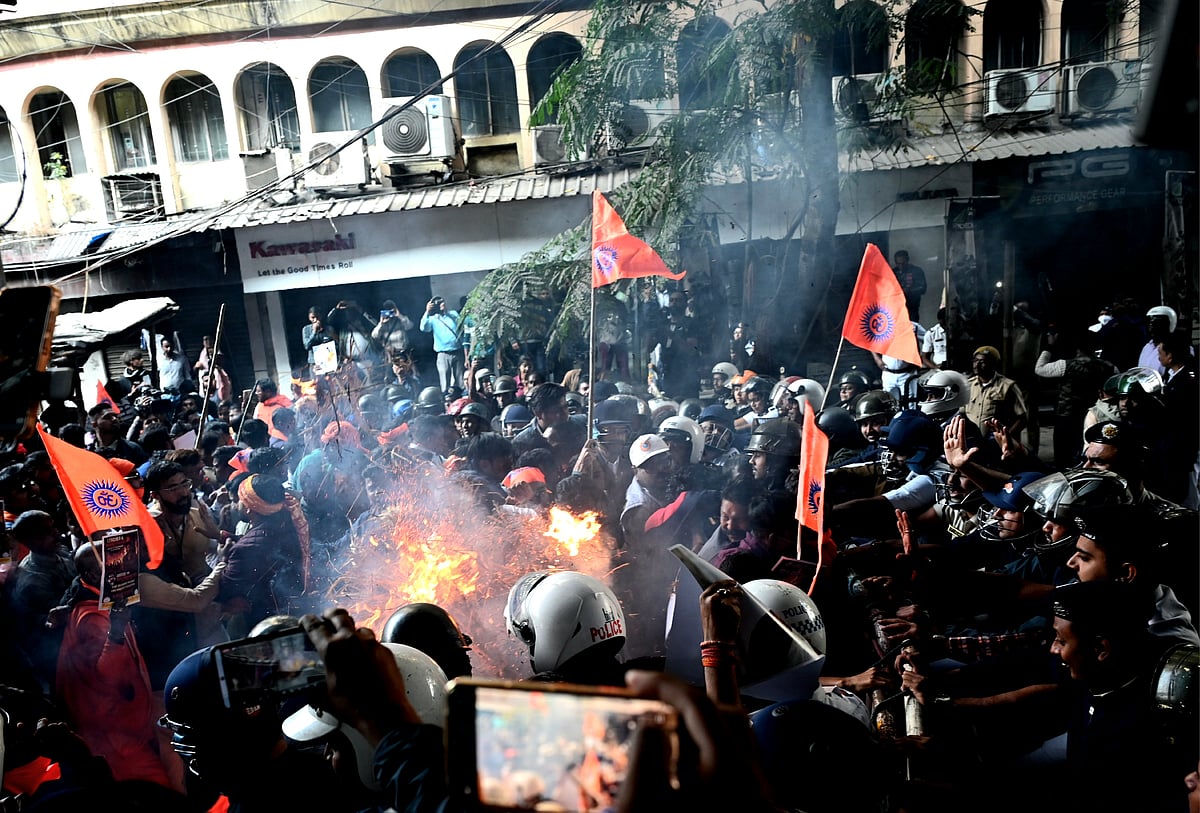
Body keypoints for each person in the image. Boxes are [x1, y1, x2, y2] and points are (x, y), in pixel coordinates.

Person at [57, 541, 172, 787]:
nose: (119, 570)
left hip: (125, 723)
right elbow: (106, 676)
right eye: (110, 566)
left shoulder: (99, 600)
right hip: (116, 736)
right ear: (91, 575)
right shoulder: (94, 617)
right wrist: (117, 631)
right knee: (156, 789)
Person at [965, 345, 1028, 438]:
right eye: (975, 361)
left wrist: (1006, 438)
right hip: (973, 442)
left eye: (982, 362)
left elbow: (1022, 419)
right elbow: (961, 414)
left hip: (996, 444)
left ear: (993, 364)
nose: (976, 365)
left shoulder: (1007, 386)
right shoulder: (968, 385)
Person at [419, 295, 463, 393]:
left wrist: (446, 312)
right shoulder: (433, 318)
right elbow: (423, 328)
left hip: (457, 352)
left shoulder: (453, 314)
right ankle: (447, 400)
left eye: (441, 302)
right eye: (437, 304)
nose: (440, 305)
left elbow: (460, 323)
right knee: (445, 381)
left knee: (460, 380)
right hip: (443, 354)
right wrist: (427, 312)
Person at [892, 249, 926, 322]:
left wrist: (909, 291)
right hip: (896, 308)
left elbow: (922, 288)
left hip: (912, 307)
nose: (901, 266)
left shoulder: (916, 271)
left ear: (907, 260)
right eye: (898, 264)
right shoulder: (893, 272)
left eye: (903, 263)